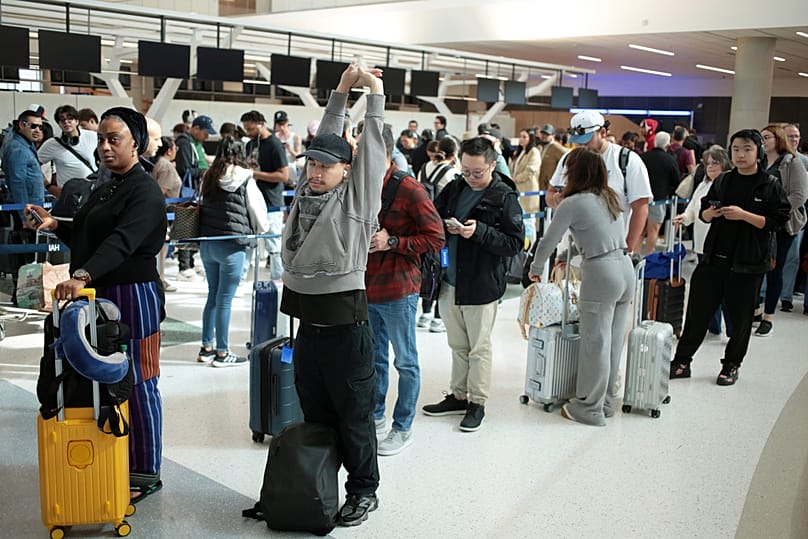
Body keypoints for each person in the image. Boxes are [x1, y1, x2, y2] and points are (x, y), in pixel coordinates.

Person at [28, 106, 168, 503]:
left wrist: (82, 276)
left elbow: (121, 242)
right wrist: (56, 225)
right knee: (104, 382)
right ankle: (114, 459)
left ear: (136, 144)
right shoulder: (106, 185)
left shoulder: (144, 191)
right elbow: (92, 236)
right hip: (100, 296)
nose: (105, 147)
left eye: (115, 139)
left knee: (139, 379)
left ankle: (145, 470)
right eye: (102, 139)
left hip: (133, 295)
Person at [279, 63, 385, 526]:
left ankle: (364, 491)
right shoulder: (307, 191)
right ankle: (317, 485)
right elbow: (327, 134)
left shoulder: (358, 201)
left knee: (356, 421)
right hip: (309, 331)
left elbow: (374, 151)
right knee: (317, 416)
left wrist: (375, 93)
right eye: (312, 163)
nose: (317, 170)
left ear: (349, 169)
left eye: (327, 165)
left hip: (347, 331)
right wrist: (341, 89)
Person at [669, 129, 789, 386]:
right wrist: (710, 215)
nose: (741, 154)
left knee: (741, 318)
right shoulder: (722, 180)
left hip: (747, 263)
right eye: (736, 149)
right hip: (713, 258)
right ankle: (682, 361)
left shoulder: (769, 184)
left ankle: (731, 365)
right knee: (697, 313)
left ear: (758, 150)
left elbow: (778, 221)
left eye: (747, 149)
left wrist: (744, 215)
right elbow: (703, 211)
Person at [421, 137, 524, 432]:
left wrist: (479, 232)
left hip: (481, 283)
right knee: (457, 345)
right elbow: (433, 216)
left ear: (492, 164)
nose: (470, 177)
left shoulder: (504, 197)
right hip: (450, 279)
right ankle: (458, 395)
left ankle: (477, 402)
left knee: (479, 347)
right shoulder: (456, 187)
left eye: (476, 172)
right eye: (465, 170)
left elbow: (514, 243)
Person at [528, 147, 635, 426]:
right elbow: (597, 233)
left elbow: (548, 241)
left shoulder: (572, 203)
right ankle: (607, 402)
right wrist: (567, 257)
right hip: (625, 269)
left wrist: (536, 269)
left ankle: (589, 409)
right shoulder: (609, 196)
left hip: (601, 274)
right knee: (611, 343)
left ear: (575, 172)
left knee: (594, 344)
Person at [366, 127, 444, 456]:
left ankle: (403, 426)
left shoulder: (410, 190)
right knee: (375, 359)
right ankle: (376, 415)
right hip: (367, 287)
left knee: (406, 361)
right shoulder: (361, 186)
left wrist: (393, 242)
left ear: (383, 152)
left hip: (400, 288)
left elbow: (436, 238)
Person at [197, 136, 269, 366]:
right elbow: (255, 208)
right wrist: (261, 231)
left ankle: (206, 347)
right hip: (232, 244)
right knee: (225, 300)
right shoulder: (244, 176)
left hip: (208, 243)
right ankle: (222, 352)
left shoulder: (209, 175)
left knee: (213, 296)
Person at [547, 110, 652, 255]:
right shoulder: (568, 159)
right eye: (577, 142)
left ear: (602, 133)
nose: (581, 147)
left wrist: (628, 247)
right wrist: (556, 200)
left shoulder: (627, 160)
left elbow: (641, 206)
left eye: (586, 141)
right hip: (569, 255)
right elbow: (550, 195)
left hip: (610, 254)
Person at [751, 124, 808, 336]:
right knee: (757, 265)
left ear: (778, 139)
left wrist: (777, 214)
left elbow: (799, 195)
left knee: (775, 268)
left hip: (782, 225)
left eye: (767, 137)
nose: (763, 141)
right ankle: (756, 309)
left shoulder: (793, 162)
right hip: (761, 222)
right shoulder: (762, 162)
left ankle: (768, 316)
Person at [672, 146, 733, 338]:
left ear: (724, 163)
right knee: (707, 288)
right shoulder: (703, 184)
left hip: (722, 244)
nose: (711, 166)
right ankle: (712, 325)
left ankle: (733, 329)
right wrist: (684, 217)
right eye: (708, 163)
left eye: (716, 162)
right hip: (701, 244)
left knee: (724, 290)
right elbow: (692, 208)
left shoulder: (730, 185)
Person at [1, 110, 45, 304]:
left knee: (28, 256)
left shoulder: (24, 145)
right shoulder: (18, 149)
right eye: (32, 126)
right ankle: (22, 298)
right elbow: (17, 183)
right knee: (26, 257)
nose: (37, 130)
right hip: (25, 213)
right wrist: (25, 215)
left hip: (30, 210)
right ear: (21, 125)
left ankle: (23, 297)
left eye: (40, 126)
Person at [416, 137, 459, 333]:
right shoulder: (451, 173)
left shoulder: (424, 168)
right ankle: (437, 317)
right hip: (444, 230)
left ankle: (424, 313)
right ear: (454, 154)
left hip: (423, 226)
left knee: (427, 268)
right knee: (442, 268)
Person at [240, 110, 289, 281]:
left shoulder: (275, 145)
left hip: (271, 201)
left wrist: (254, 174)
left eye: (251, 129)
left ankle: (278, 276)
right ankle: (240, 278)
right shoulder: (250, 145)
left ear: (261, 124)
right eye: (246, 129)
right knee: (248, 242)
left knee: (273, 243)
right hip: (252, 200)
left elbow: (284, 175)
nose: (248, 132)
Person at [37, 105, 97, 198]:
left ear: (77, 121)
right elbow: (32, 165)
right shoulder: (52, 144)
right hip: (69, 196)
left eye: (70, 118)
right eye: (62, 120)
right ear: (59, 124)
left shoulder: (93, 137)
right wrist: (49, 186)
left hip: (93, 191)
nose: (66, 122)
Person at [639, 131, 680, 254]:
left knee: (639, 229)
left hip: (641, 199)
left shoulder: (643, 157)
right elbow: (676, 180)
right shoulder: (670, 160)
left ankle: (634, 256)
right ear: (667, 145)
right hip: (659, 199)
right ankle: (648, 256)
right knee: (653, 230)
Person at [509, 127, 542, 243]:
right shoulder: (518, 152)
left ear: (530, 138)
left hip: (528, 190)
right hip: (517, 189)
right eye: (520, 136)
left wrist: (515, 179)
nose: (521, 139)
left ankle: (530, 246)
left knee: (529, 221)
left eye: (524, 137)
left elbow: (530, 170)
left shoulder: (534, 151)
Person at [537, 124, 568, 191]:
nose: (544, 136)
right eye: (543, 133)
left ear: (553, 136)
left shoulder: (555, 147)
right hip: (541, 185)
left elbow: (568, 155)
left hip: (550, 186)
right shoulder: (541, 146)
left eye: (547, 134)